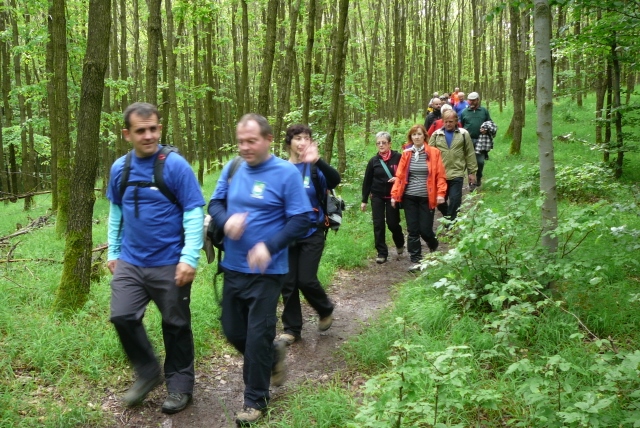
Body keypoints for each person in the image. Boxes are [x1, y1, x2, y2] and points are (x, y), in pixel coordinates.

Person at [208, 114, 313, 426]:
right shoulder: (233, 167)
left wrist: (269, 246)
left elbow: (301, 219)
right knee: (232, 331)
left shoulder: (285, 173)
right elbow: (214, 204)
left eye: (251, 141)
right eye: (240, 141)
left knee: (256, 336)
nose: (244, 147)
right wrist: (226, 220)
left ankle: (255, 400)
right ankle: (273, 355)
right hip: (233, 267)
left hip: (268, 272)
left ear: (268, 139)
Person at [107, 102, 205, 414]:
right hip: (131, 262)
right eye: (141, 131)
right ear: (127, 134)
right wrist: (113, 251)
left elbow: (193, 212)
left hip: (170, 261)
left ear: (160, 129)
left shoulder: (176, 166)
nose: (148, 136)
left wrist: (189, 257)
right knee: (122, 316)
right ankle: (148, 371)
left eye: (153, 129)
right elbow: (116, 211)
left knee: (176, 324)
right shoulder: (119, 169)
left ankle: (180, 385)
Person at [277, 124, 339, 346]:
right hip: (287, 233)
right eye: (298, 138)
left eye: (306, 138)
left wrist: (318, 160)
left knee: (306, 279)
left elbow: (334, 180)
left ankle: (325, 309)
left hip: (313, 230)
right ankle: (292, 329)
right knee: (288, 283)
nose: (302, 142)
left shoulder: (314, 169)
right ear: (289, 143)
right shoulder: (279, 169)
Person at [391, 124, 447, 272]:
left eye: (419, 134)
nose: (416, 137)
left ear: (424, 136)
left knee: (425, 230)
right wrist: (394, 195)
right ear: (411, 137)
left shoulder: (434, 153)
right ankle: (416, 261)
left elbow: (440, 175)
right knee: (413, 230)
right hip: (409, 197)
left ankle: (433, 244)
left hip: (427, 197)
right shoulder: (406, 153)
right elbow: (400, 176)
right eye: (414, 135)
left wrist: (441, 194)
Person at [361, 131, 405, 264]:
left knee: (392, 223)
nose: (381, 145)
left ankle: (399, 242)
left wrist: (397, 178)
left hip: (393, 196)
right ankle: (381, 252)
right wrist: (364, 200)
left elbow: (405, 174)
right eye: (378, 143)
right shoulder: (373, 161)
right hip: (377, 196)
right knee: (378, 224)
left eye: (384, 142)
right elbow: (367, 181)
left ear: (390, 144)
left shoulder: (398, 158)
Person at [429, 110, 477, 223]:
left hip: (457, 173)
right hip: (440, 175)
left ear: (456, 121)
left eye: (451, 121)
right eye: (446, 121)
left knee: (455, 200)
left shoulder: (463, 134)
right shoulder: (436, 135)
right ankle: (450, 219)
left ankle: (451, 224)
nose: (448, 124)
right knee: (440, 202)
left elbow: (470, 153)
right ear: (442, 121)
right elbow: (429, 155)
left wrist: (472, 172)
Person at [460, 91, 492, 187]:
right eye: (470, 100)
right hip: (468, 140)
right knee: (469, 162)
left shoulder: (484, 111)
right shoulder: (464, 112)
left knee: (480, 162)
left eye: (474, 100)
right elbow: (461, 125)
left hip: (480, 140)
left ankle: (478, 177)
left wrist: (486, 130)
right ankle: (471, 182)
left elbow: (490, 123)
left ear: (478, 100)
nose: (472, 102)